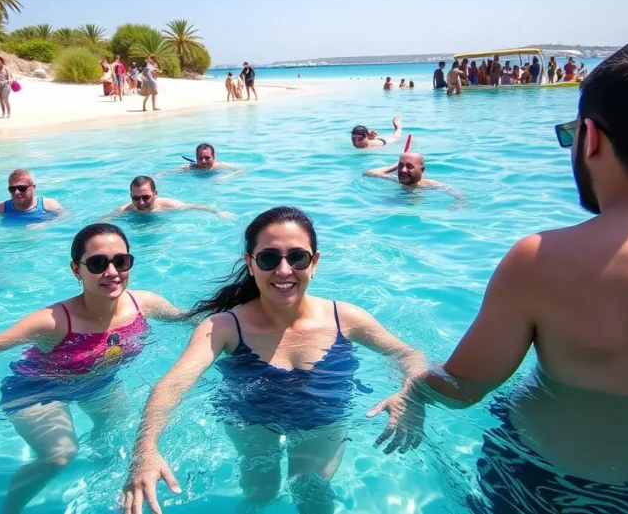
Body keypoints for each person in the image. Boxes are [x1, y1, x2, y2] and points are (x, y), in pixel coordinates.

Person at [395, 37, 628, 514]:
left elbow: (462, 388)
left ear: (589, 137)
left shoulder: (542, 259)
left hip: (544, 489)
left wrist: (412, 384)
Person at [122, 207, 426, 514]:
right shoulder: (223, 327)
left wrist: (411, 393)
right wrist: (145, 451)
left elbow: (407, 354)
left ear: (314, 262)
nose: (283, 270)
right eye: (269, 258)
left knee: (311, 492)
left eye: (297, 258)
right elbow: (172, 386)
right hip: (252, 421)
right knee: (260, 493)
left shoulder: (346, 318)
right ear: (250, 263)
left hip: (322, 421)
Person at [0, 224, 186, 514]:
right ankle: (10, 510)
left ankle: (108, 486)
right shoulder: (53, 321)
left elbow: (187, 319)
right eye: (98, 263)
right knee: (60, 455)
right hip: (37, 389)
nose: (112, 272)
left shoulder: (144, 303)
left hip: (98, 382)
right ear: (76, 270)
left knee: (119, 436)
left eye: (121, 261)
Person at [106, 176, 234, 219]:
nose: (141, 202)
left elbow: (193, 206)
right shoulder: (125, 210)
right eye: (135, 198)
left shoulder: (168, 205)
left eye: (146, 197)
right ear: (131, 196)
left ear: (155, 194)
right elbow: (103, 222)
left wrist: (217, 211)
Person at [364, 152, 465, 201]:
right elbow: (368, 173)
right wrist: (395, 166)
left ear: (422, 170)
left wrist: (456, 206)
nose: (403, 170)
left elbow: (460, 197)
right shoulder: (396, 180)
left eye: (409, 166)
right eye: (401, 166)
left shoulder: (430, 185)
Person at [0, 169, 65, 221]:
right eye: (12, 189)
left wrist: (44, 223)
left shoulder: (49, 205)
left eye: (22, 188)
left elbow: (64, 218)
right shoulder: (1, 208)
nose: (16, 192)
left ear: (33, 187)